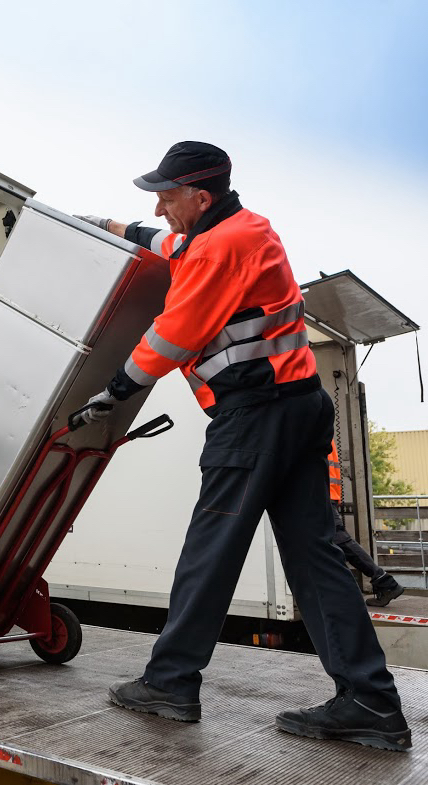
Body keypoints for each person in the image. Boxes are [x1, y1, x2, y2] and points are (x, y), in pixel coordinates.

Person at [72, 141, 411, 752]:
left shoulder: (218, 248)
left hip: (256, 416)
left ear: (200, 197)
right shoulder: (234, 230)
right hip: (297, 406)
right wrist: (106, 226)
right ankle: (370, 702)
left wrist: (115, 390)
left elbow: (175, 334)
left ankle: (170, 682)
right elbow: (167, 242)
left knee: (212, 547)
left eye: (166, 195)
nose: (158, 206)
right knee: (315, 556)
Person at [326, 442, 405, 606]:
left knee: (339, 540)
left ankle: (384, 582)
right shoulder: (322, 430)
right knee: (332, 543)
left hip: (321, 496)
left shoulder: (312, 429)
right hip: (326, 494)